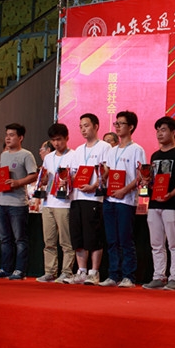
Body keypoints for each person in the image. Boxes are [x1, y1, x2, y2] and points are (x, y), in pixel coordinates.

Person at [142, 116, 175, 290]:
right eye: (157, 130)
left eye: (163, 130)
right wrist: (146, 181)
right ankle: (158, 276)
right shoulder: (155, 155)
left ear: (173, 132)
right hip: (154, 204)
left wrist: (171, 194)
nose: (159, 134)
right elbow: (152, 180)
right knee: (156, 244)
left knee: (174, 243)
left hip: (172, 204)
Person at [64, 113, 112, 285]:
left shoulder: (105, 147)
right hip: (77, 197)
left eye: (86, 126)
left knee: (93, 236)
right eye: (81, 127)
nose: (83, 130)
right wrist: (68, 180)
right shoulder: (78, 150)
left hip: (94, 199)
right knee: (78, 236)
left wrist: (94, 185)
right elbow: (74, 172)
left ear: (96, 126)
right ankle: (82, 271)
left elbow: (106, 170)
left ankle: (94, 272)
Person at [100, 111, 146, 288]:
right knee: (112, 240)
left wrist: (124, 190)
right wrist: (102, 176)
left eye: (121, 123)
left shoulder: (137, 150)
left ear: (131, 127)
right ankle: (113, 275)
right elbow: (108, 173)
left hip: (126, 201)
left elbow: (141, 175)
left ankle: (129, 276)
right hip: (110, 200)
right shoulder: (112, 150)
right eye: (116, 123)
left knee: (125, 239)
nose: (117, 127)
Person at [0, 123, 38, 280]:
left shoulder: (26, 155)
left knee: (20, 239)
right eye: (7, 135)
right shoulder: (3, 155)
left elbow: (33, 175)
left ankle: (20, 270)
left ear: (20, 137)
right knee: (4, 239)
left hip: (18, 203)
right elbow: (2, 176)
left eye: (12, 135)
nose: (8, 138)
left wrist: (18, 183)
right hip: (1, 202)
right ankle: (5, 268)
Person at [35, 123, 77, 283]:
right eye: (53, 140)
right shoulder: (48, 157)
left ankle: (67, 272)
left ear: (67, 138)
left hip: (65, 203)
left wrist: (68, 181)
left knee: (66, 242)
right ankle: (50, 271)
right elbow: (45, 178)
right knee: (49, 241)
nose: (56, 143)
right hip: (48, 202)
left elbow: (77, 178)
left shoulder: (74, 155)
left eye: (59, 139)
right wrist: (44, 180)